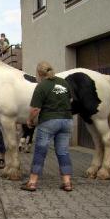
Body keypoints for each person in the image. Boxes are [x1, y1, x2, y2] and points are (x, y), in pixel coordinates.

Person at [21, 61, 74, 192]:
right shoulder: (63, 82)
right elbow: (71, 100)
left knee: (40, 151)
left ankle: (32, 182)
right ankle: (67, 182)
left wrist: (29, 120)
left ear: (39, 73)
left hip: (49, 122)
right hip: (66, 121)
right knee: (63, 152)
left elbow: (35, 109)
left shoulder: (41, 86)